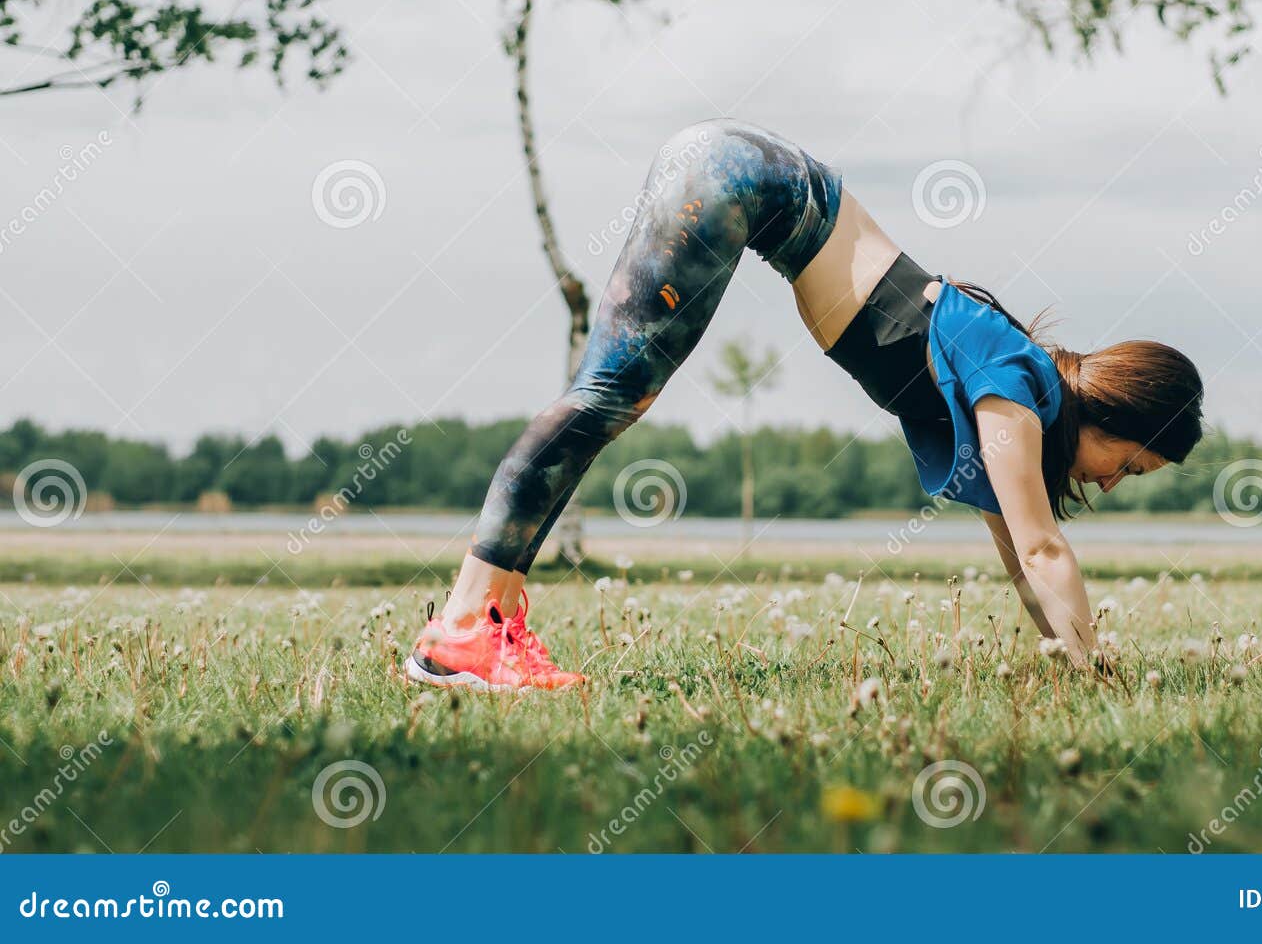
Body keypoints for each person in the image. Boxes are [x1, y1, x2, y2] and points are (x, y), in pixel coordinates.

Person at [405, 119, 1204, 691]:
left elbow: (1019, 556)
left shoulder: (1012, 398)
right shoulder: (1015, 390)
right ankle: (463, 630)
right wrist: (1103, 672)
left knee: (609, 397)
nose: (1108, 483)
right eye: (1128, 464)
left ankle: (489, 627)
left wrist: (1071, 661)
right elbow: (1044, 552)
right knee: (610, 396)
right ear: (1113, 413)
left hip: (743, 176)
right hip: (745, 181)